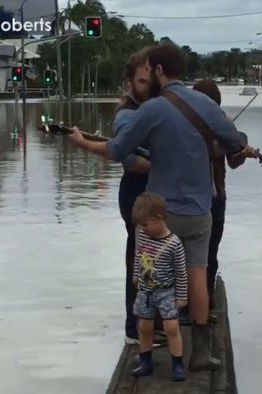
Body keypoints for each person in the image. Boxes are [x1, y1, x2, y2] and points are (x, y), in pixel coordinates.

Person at [68, 44, 257, 371]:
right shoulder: (206, 105)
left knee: (151, 279)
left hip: (160, 215)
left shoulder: (151, 110)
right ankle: (200, 352)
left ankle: (149, 352)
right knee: (198, 275)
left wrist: (83, 143)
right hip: (200, 210)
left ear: (158, 70)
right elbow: (234, 141)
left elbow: (118, 151)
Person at [191, 80, 248, 317]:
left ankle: (208, 301)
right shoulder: (186, 127)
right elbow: (209, 150)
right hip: (194, 197)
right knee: (193, 255)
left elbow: (234, 162)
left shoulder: (223, 126)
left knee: (211, 252)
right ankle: (190, 305)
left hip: (218, 197)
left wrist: (241, 150)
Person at [116, 48, 153, 345]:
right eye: (142, 80)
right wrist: (164, 163)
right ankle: (133, 329)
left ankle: (150, 324)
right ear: (129, 80)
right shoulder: (126, 113)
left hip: (152, 191)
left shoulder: (151, 106)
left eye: (150, 79)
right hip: (135, 192)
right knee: (139, 262)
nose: (146, 85)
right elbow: (130, 161)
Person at [130, 192, 187, 381]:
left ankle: (177, 363)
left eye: (146, 225)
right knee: (144, 326)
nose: (143, 229)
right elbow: (138, 256)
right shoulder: (143, 236)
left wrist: (181, 296)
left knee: (171, 327)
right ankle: (146, 361)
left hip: (166, 292)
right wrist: (136, 276)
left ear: (159, 219)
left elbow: (181, 272)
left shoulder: (174, 244)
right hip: (146, 291)